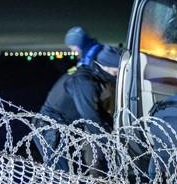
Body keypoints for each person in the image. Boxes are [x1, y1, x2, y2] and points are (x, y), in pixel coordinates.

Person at [36, 27, 119, 170]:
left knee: (71, 175)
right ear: (105, 67)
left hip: (60, 128)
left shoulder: (90, 75)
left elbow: (97, 114)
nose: (116, 76)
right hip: (50, 130)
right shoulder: (84, 82)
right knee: (63, 177)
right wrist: (112, 145)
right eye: (115, 72)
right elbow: (91, 117)